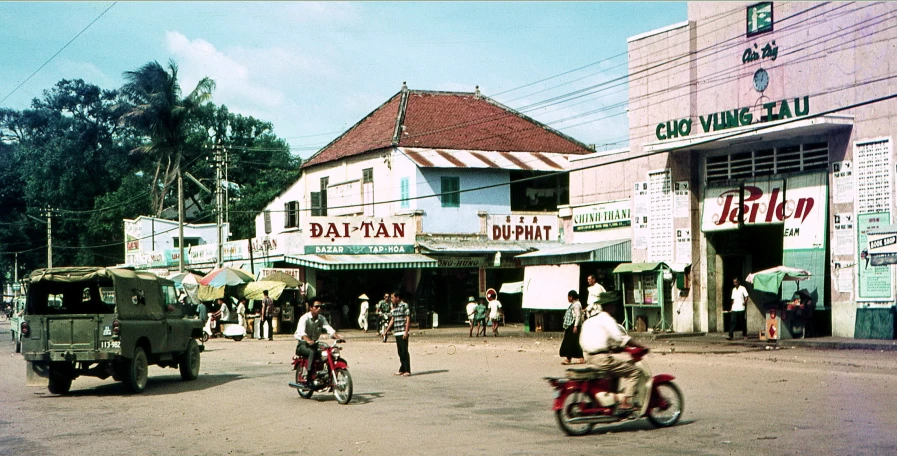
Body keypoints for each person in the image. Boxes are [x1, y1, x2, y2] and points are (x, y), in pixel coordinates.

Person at [579, 299, 646, 413]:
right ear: (610, 306)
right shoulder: (608, 320)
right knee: (635, 372)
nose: (615, 309)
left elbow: (591, 340)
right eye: (614, 306)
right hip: (601, 359)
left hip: (588, 356)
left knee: (615, 371)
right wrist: (641, 346)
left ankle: (613, 400)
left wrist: (610, 348)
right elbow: (621, 338)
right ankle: (625, 403)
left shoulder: (591, 320)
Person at [293, 299, 343, 386]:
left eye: (321, 307)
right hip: (303, 344)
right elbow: (301, 332)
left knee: (329, 351)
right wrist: (308, 340)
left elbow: (329, 329)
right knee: (312, 352)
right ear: (310, 308)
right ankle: (309, 376)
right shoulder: (304, 318)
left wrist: (338, 337)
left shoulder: (321, 318)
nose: (319, 308)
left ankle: (324, 373)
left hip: (314, 343)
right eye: (316, 307)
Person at [383, 290, 411, 376]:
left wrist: (406, 332)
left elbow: (408, 318)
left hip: (403, 331)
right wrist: (386, 331)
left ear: (397, 298)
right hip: (397, 332)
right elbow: (393, 319)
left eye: (392, 297)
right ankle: (402, 368)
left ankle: (407, 370)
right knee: (400, 351)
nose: (391, 299)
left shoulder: (404, 305)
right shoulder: (394, 307)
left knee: (404, 351)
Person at [560, 290, 585, 365]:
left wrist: (575, 326)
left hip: (574, 325)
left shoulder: (576, 305)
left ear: (571, 297)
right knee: (572, 342)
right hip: (571, 325)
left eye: (569, 297)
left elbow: (578, 316)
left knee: (571, 342)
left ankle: (569, 359)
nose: (568, 298)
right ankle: (575, 358)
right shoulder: (574, 304)